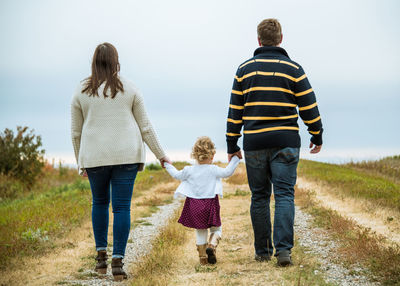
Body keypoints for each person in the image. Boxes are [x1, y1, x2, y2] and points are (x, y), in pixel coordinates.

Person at [226, 19, 323, 266]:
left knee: (259, 196)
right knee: (284, 195)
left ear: (258, 40)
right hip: (286, 141)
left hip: (255, 142)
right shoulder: (294, 69)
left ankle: (262, 252)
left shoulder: (244, 70)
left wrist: (232, 145)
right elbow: (309, 105)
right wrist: (316, 133)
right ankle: (283, 252)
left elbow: (235, 110)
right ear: (281, 39)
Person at [70, 42, 171, 281]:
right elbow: (145, 127)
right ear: (116, 60)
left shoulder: (81, 90)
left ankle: (100, 257)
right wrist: (161, 155)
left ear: (94, 61)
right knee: (122, 207)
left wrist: (80, 161)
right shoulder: (131, 88)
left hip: (94, 157)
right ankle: (118, 261)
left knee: (99, 203)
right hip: (126, 155)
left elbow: (76, 133)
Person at [165, 136, 240, 265]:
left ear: (195, 155)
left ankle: (203, 259)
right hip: (210, 203)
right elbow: (227, 172)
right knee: (216, 229)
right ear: (212, 155)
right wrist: (235, 158)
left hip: (194, 205)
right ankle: (212, 245)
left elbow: (176, 174)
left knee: (200, 230)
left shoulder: (189, 170)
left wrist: (166, 164)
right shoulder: (213, 169)